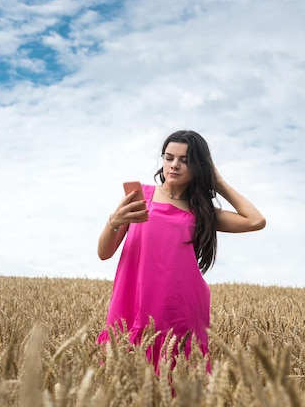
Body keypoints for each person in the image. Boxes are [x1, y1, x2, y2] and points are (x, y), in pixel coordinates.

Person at [96, 130, 266, 371]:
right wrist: (113, 222)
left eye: (184, 160)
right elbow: (104, 253)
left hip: (179, 305)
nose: (174, 165)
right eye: (169, 157)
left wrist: (218, 182)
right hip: (132, 296)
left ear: (199, 166)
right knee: (122, 372)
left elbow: (255, 221)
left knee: (177, 377)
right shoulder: (140, 197)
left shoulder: (202, 211)